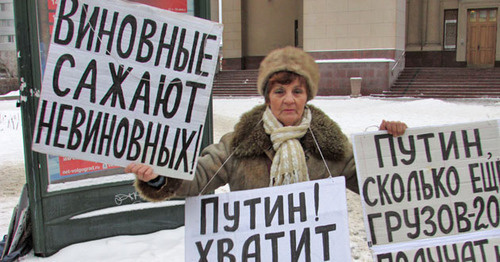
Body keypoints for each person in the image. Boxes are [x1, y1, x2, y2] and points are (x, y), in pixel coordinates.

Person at [125, 46, 407, 202]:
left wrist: (388, 148)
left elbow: (377, 186)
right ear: (267, 98)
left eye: (297, 91)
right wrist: (159, 177)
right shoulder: (239, 144)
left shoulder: (330, 146)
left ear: (307, 96)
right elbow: (198, 179)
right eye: (279, 91)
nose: (288, 100)